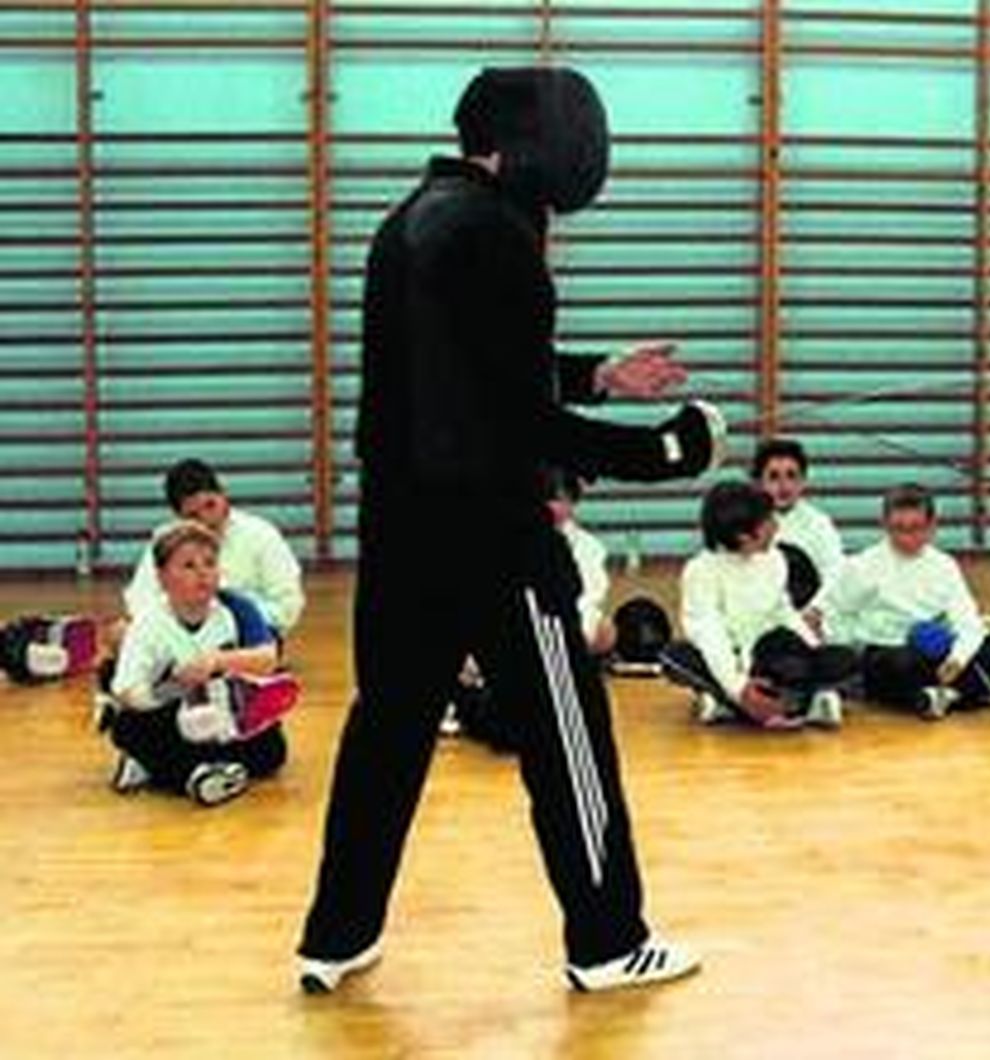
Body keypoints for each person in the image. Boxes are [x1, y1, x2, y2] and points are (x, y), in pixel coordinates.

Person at [296, 66, 725, 996]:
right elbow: (513, 419)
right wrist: (667, 453)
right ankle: (609, 941)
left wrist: (601, 373)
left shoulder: (416, 215)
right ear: (540, 142)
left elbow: (474, 371)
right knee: (567, 734)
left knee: (391, 732)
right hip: (492, 541)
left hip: (403, 533)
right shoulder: (498, 234)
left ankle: (336, 936)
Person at [101, 521, 290, 807]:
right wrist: (176, 699)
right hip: (170, 717)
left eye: (210, 563)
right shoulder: (148, 623)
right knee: (127, 728)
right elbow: (129, 690)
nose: (203, 573)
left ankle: (154, 768)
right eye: (189, 566)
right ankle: (194, 776)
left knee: (272, 752)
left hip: (226, 716)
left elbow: (267, 658)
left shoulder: (235, 609)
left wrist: (216, 662)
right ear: (163, 578)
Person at [660, 480, 855, 730]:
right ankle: (754, 702)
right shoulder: (701, 571)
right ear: (744, 536)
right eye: (768, 522)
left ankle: (755, 703)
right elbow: (711, 635)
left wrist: (811, 650)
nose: (776, 527)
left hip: (773, 658)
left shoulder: (774, 559)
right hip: (733, 662)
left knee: (843, 658)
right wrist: (738, 688)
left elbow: (784, 612)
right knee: (676, 657)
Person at [445, 466, 616, 747]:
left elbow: (586, 608)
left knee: (603, 629)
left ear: (573, 502)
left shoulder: (589, 548)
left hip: (553, 647)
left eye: (560, 499)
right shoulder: (497, 540)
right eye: (545, 499)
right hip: (502, 649)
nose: (553, 507)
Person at [824, 484, 990, 718]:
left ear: (931, 527)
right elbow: (836, 614)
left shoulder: (944, 566)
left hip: (939, 658)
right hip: (890, 656)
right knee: (894, 665)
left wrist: (957, 660)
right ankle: (959, 694)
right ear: (885, 526)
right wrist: (855, 647)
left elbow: (968, 622)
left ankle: (941, 697)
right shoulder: (863, 565)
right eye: (898, 529)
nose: (907, 537)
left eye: (916, 528)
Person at [122, 458, 305, 634]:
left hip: (248, 635)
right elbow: (139, 599)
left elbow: (288, 606)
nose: (207, 519)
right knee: (120, 632)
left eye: (210, 505)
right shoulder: (166, 539)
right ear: (179, 518)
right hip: (178, 634)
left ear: (223, 495)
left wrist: (229, 618)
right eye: (193, 515)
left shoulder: (261, 534)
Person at [751, 438, 845, 612]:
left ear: (803, 481)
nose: (783, 485)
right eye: (773, 477)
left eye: (791, 476)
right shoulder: (746, 524)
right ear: (759, 483)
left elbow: (836, 575)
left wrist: (815, 610)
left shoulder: (819, 524)